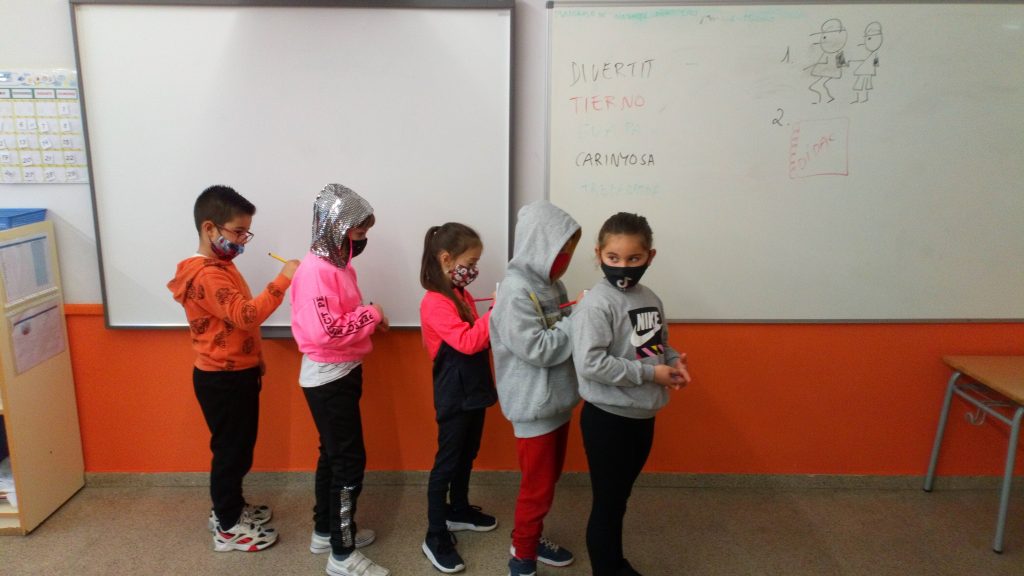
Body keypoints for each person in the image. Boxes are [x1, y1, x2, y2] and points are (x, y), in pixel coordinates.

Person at [167, 184, 300, 552]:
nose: (243, 240)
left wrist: (255, 358)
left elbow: (234, 323)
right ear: (210, 228)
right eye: (238, 232)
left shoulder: (221, 267)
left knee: (237, 449)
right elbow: (246, 315)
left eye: (246, 233)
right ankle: (227, 526)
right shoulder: (207, 275)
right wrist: (284, 278)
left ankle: (231, 507)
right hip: (222, 379)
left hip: (236, 373)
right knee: (231, 453)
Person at [570, 212, 691, 576]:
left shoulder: (649, 297)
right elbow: (590, 364)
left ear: (649, 256)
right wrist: (651, 373)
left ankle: (615, 563)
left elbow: (654, 346)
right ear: (599, 254)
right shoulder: (597, 304)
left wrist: (672, 362)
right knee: (608, 504)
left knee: (619, 499)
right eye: (613, 257)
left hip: (642, 416)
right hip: (609, 419)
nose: (623, 266)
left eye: (633, 258)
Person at [290, 183, 390, 576]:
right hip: (329, 378)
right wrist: (372, 315)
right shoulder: (316, 272)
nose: (361, 241)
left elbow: (339, 316)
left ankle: (325, 531)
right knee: (348, 465)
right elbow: (327, 331)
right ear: (336, 228)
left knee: (333, 456)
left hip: (341, 371)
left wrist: (366, 316)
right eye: (358, 233)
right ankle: (342, 555)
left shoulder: (338, 267)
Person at [490, 200, 583, 576]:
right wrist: (577, 320)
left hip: (559, 401)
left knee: (548, 480)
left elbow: (563, 330)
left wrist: (576, 317)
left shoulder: (553, 285)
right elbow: (540, 349)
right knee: (537, 488)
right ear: (539, 245)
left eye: (570, 251)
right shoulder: (515, 293)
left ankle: (527, 536)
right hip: (534, 407)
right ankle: (522, 556)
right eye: (562, 250)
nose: (566, 259)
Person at [418, 222, 500, 573]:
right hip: (454, 394)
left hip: (474, 390)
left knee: (468, 452)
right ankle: (435, 533)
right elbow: (467, 342)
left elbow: (478, 337)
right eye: (471, 262)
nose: (474, 269)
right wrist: (496, 313)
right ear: (446, 259)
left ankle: (459, 509)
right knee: (448, 462)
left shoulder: (460, 295)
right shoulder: (435, 302)